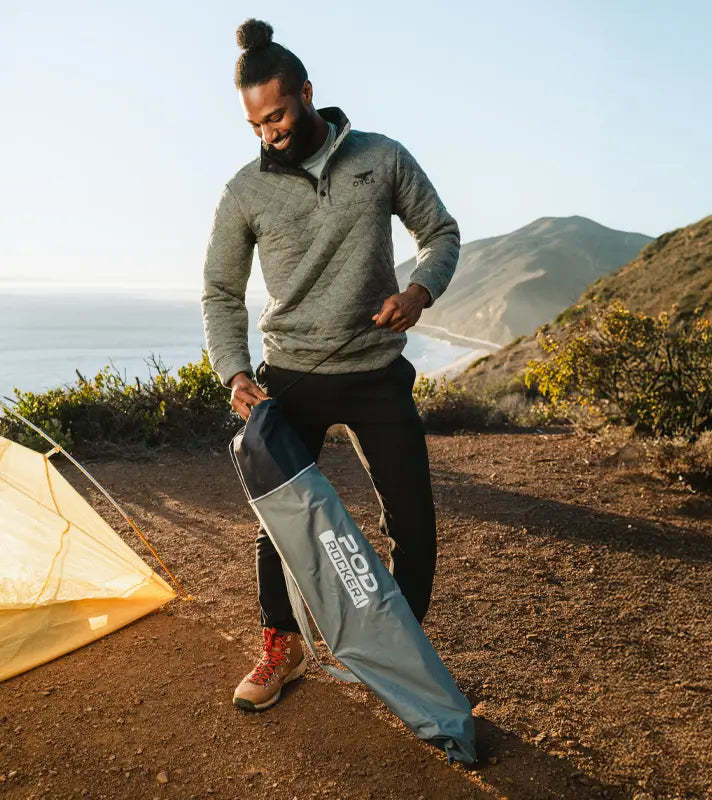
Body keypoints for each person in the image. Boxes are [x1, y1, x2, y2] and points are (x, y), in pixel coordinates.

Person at [201, 18, 460, 712]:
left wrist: (419, 292)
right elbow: (221, 291)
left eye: (278, 116)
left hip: (376, 370)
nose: (269, 134)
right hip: (290, 376)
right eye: (256, 124)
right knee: (279, 524)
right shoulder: (244, 191)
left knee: (413, 521)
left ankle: (400, 652)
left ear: (307, 93)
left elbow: (439, 232)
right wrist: (234, 372)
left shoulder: (382, 157)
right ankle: (281, 648)